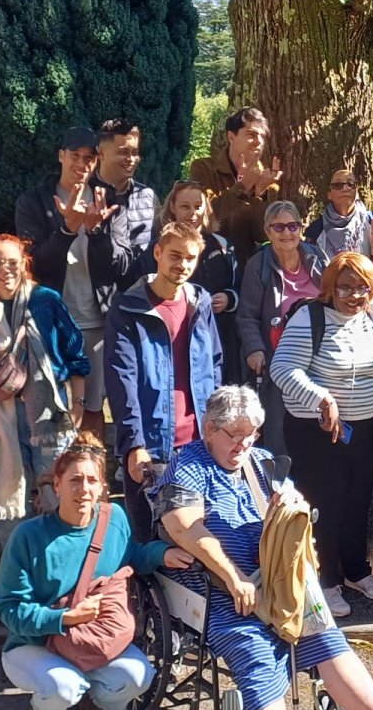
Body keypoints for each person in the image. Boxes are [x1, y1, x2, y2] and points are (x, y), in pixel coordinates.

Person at [155, 387, 373, 710]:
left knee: (325, 634)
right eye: (233, 435)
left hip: (278, 580)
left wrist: (294, 507)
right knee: (253, 652)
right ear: (209, 428)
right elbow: (184, 527)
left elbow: (298, 509)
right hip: (218, 588)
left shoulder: (262, 461)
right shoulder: (190, 466)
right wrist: (234, 577)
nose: (242, 444)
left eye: (250, 434)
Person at [0, 433, 193, 710]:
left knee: (139, 676)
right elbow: (8, 607)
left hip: (93, 638)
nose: (83, 489)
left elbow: (132, 556)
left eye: (91, 480)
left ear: (102, 487)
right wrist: (63, 618)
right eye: (74, 480)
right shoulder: (28, 536)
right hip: (35, 643)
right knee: (63, 686)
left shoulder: (114, 519)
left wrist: (162, 555)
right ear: (56, 485)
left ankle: (92, 699)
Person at [269, 251, 373, 618]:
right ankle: (325, 579)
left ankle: (356, 570)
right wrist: (321, 398)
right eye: (346, 288)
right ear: (330, 287)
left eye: (363, 287)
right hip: (314, 430)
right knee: (325, 503)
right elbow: (282, 368)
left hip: (362, 427)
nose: (355, 296)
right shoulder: (309, 317)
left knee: (358, 497)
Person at [0, 235, 88, 546]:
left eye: (12, 262)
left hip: (49, 409)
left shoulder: (45, 299)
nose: (5, 270)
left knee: (59, 486)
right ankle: (17, 566)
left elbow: (75, 353)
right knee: (8, 489)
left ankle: (60, 559)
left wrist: (78, 404)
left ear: (25, 263)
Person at [106, 221, 223, 541]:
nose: (182, 265)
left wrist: (219, 429)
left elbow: (215, 364)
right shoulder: (129, 306)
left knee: (201, 538)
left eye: (190, 258)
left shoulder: (200, 301)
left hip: (201, 440)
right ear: (157, 252)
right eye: (174, 255)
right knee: (150, 542)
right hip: (153, 443)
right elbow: (122, 379)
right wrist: (134, 444)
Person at [15, 126, 119, 443]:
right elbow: (34, 264)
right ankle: (54, 481)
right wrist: (67, 230)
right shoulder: (33, 202)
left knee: (92, 407)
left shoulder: (107, 199)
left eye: (89, 158)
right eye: (75, 155)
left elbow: (118, 265)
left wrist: (98, 232)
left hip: (97, 320)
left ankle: (93, 477)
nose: (82, 164)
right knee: (51, 403)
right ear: (61, 156)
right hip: (51, 322)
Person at [235, 201, 328, 457]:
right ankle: (279, 480)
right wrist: (255, 349)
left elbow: (333, 300)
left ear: (300, 228)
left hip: (320, 355)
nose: (287, 233)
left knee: (318, 415)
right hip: (278, 358)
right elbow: (247, 316)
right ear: (268, 231)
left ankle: (316, 477)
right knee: (277, 425)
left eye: (292, 226)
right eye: (279, 227)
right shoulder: (258, 265)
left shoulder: (318, 257)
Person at [155, 179, 241, 382]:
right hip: (174, 333)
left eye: (197, 206)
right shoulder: (160, 246)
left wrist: (229, 299)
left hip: (218, 334)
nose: (192, 213)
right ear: (173, 208)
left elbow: (239, 285)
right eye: (185, 206)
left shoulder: (222, 246)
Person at [189, 106, 283, 265]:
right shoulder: (203, 168)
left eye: (263, 136)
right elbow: (205, 217)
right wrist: (243, 186)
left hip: (245, 268)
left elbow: (264, 237)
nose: (259, 142)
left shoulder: (266, 180)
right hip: (205, 263)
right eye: (252, 135)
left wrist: (258, 194)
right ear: (231, 136)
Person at [93, 118, 159, 258]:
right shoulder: (84, 196)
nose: (131, 159)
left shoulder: (148, 197)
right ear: (101, 154)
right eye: (123, 152)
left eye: (135, 152)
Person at [305, 169, 373, 261]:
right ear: (329, 195)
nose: (345, 188)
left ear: (356, 192)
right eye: (338, 185)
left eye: (350, 184)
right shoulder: (316, 231)